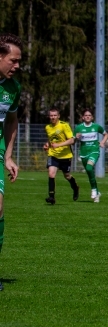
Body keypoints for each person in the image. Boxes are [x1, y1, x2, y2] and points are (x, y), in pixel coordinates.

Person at [0, 33, 22, 291]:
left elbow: (12, 121)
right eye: (13, 60)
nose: (17, 66)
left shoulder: (13, 88)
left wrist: (7, 156)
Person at [43, 107, 79, 205]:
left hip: (65, 155)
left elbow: (71, 140)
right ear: (49, 116)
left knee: (67, 176)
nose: (53, 117)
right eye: (51, 115)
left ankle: (75, 187)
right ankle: (51, 197)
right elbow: (51, 140)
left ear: (58, 116)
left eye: (55, 115)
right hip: (53, 154)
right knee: (51, 174)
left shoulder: (64, 126)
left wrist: (58, 145)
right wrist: (47, 145)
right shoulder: (48, 127)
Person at [74, 109, 108, 202]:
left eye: (89, 115)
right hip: (83, 153)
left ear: (92, 117)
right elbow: (73, 141)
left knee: (89, 168)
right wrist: (76, 138)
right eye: (86, 115)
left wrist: (102, 142)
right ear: (83, 117)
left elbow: (106, 134)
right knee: (90, 174)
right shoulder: (79, 128)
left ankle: (94, 190)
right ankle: (97, 192)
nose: (88, 116)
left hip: (94, 151)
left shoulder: (96, 126)